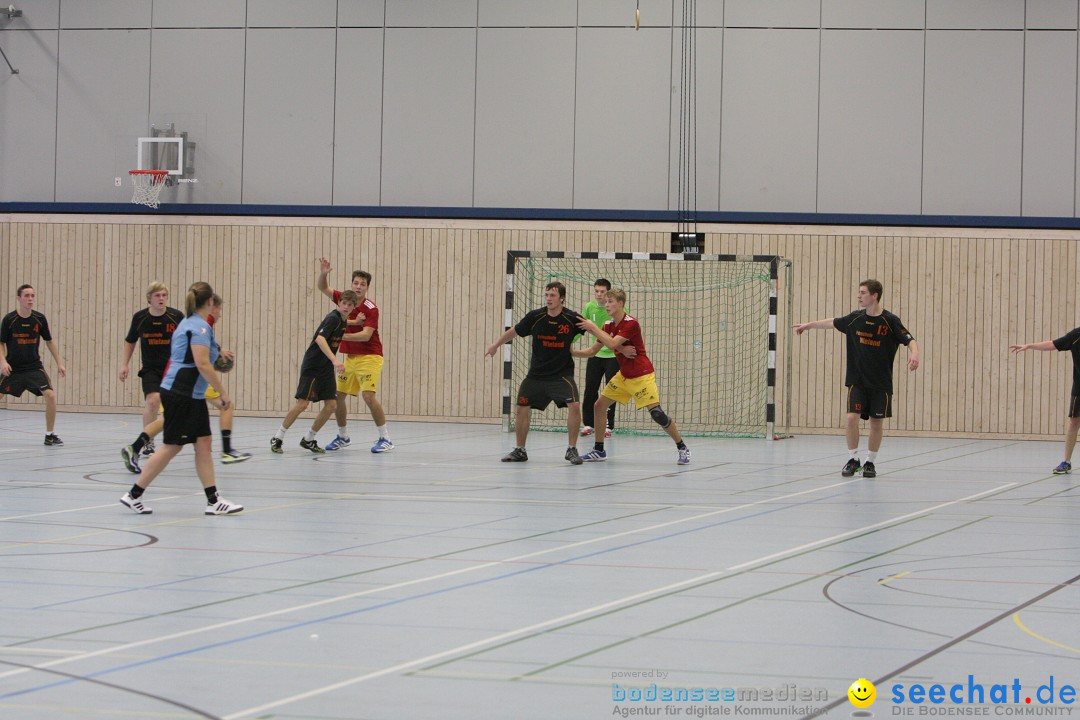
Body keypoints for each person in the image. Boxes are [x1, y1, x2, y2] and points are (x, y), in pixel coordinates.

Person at [119, 281, 243, 515]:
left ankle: (213, 500)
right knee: (172, 446)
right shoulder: (199, 327)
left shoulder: (191, 323)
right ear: (209, 302)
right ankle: (133, 494)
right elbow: (203, 363)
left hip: (189, 393)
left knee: (203, 443)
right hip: (182, 392)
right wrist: (223, 393)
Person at [793, 279, 919, 479]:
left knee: (876, 423)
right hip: (857, 380)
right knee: (852, 418)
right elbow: (833, 322)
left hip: (881, 382)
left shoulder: (890, 320)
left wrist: (914, 354)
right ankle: (853, 459)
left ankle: (870, 462)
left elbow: (909, 339)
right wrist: (809, 325)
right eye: (859, 292)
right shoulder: (854, 319)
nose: (859, 296)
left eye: (863, 292)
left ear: (874, 295)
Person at [485, 281, 598, 465]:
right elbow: (514, 331)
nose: (548, 299)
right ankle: (520, 450)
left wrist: (609, 343)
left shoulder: (572, 318)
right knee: (521, 408)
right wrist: (495, 345)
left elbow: (594, 330)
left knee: (575, 406)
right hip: (536, 375)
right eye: (546, 295)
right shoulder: (535, 316)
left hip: (561, 375)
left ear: (561, 298)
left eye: (552, 295)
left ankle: (572, 449)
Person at [574, 288, 691, 465]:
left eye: (610, 301)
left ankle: (682, 447)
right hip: (624, 376)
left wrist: (592, 328)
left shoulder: (631, 323)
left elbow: (612, 342)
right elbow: (592, 351)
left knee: (657, 414)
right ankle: (599, 450)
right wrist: (569, 352)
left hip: (642, 375)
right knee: (599, 406)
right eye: (606, 302)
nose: (606, 305)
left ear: (621, 303)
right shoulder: (607, 326)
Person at [316, 258, 393, 453]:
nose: (358, 287)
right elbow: (323, 288)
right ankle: (343, 436)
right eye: (356, 283)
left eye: (363, 284)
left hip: (370, 357)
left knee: (368, 396)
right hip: (351, 358)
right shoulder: (345, 299)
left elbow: (366, 335)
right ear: (352, 284)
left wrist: (340, 334)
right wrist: (324, 273)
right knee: (338, 397)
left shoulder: (370, 308)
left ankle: (385, 438)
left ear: (367, 287)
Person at [271, 290, 357, 453]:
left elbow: (344, 323)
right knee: (303, 404)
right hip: (313, 366)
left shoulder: (343, 321)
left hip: (325, 368)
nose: (346, 307)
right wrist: (335, 360)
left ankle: (309, 439)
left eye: (350, 304)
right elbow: (320, 338)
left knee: (331, 405)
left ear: (353, 307)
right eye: (344, 303)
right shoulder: (333, 318)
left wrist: (355, 321)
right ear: (339, 303)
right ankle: (278, 437)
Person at [118, 282, 183, 458]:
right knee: (153, 401)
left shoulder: (176, 317)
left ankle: (174, 435)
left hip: (173, 369)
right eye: (157, 295)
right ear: (149, 298)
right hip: (151, 369)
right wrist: (125, 364)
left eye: (164, 295)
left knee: (173, 406)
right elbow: (130, 341)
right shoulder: (140, 318)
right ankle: (148, 441)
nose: (161, 299)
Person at [0, 284, 67, 445]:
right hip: (13, 368)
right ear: (19, 298)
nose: (30, 299)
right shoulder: (9, 320)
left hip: (33, 367)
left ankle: (49, 434)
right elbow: (1, 342)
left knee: (50, 395)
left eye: (32, 296)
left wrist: (60, 363)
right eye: (27, 296)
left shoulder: (39, 319)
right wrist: (3, 361)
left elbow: (49, 342)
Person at [1010, 329, 1080, 474]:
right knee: (1074, 422)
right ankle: (1066, 462)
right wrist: (1029, 346)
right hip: (1079, 387)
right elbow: (1052, 344)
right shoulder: (1076, 335)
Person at [580, 278, 618, 438]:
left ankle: (608, 426)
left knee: (611, 391)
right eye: (596, 291)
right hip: (596, 354)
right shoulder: (589, 307)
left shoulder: (616, 309)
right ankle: (589, 424)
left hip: (613, 356)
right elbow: (580, 328)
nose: (599, 294)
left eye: (602, 291)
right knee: (590, 389)